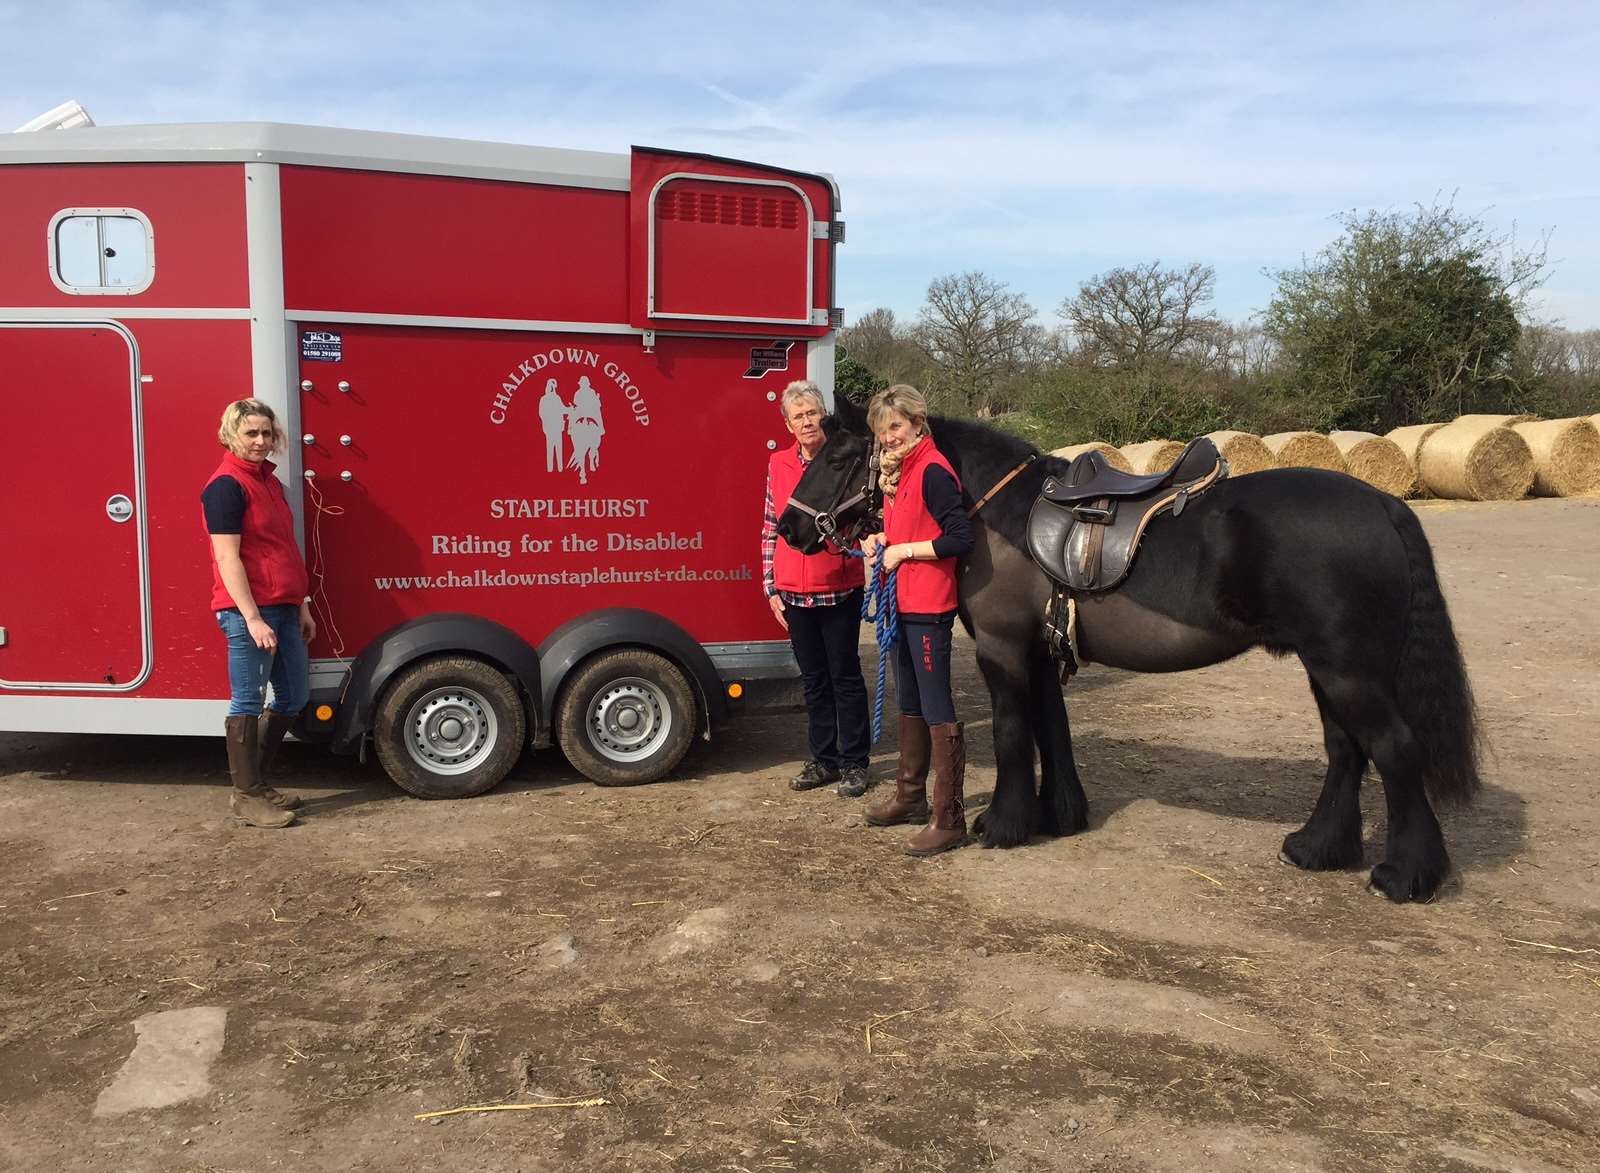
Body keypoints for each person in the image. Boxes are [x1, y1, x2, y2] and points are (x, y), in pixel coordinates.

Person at [860, 385, 974, 855]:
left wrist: (904, 551)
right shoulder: (902, 471)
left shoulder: (932, 470)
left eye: (895, 427)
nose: (888, 437)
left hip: (928, 606)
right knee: (909, 699)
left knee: (935, 704)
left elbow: (958, 536)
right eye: (883, 430)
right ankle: (910, 797)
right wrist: (881, 538)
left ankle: (949, 819)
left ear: (916, 424)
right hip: (902, 602)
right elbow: (912, 527)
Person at [201, 399, 316, 828]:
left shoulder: (269, 483)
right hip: (248, 611)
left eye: (267, 433)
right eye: (251, 433)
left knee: (294, 696)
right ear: (232, 434)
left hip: (285, 606)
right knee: (247, 700)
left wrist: (301, 604)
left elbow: (285, 548)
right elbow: (228, 559)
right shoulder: (225, 487)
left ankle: (260, 783)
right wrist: (251, 617)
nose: (261, 441)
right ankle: (246, 795)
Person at [761, 380, 872, 797]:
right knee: (814, 679)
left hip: (838, 586)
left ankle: (855, 762)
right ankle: (823, 759)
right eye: (798, 416)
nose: (806, 422)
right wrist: (770, 584)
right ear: (788, 424)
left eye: (811, 413)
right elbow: (770, 525)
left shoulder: (843, 458)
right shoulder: (778, 464)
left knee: (844, 676)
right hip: (792, 590)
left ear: (822, 415)